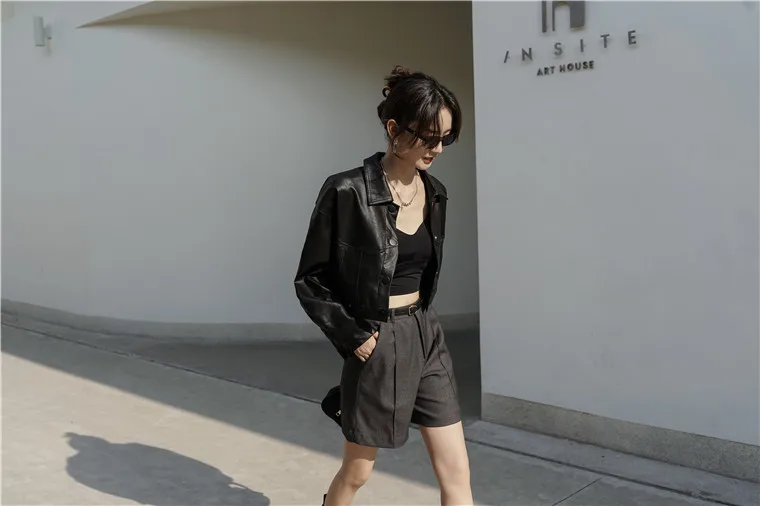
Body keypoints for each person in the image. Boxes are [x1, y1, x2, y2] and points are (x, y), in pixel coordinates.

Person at [294, 65, 472, 506]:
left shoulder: (436, 193)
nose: (438, 149)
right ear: (394, 129)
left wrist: (421, 331)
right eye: (428, 137)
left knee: (457, 475)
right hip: (376, 337)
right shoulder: (347, 192)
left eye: (446, 138)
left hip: (426, 335)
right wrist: (355, 336)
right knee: (357, 473)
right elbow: (311, 279)